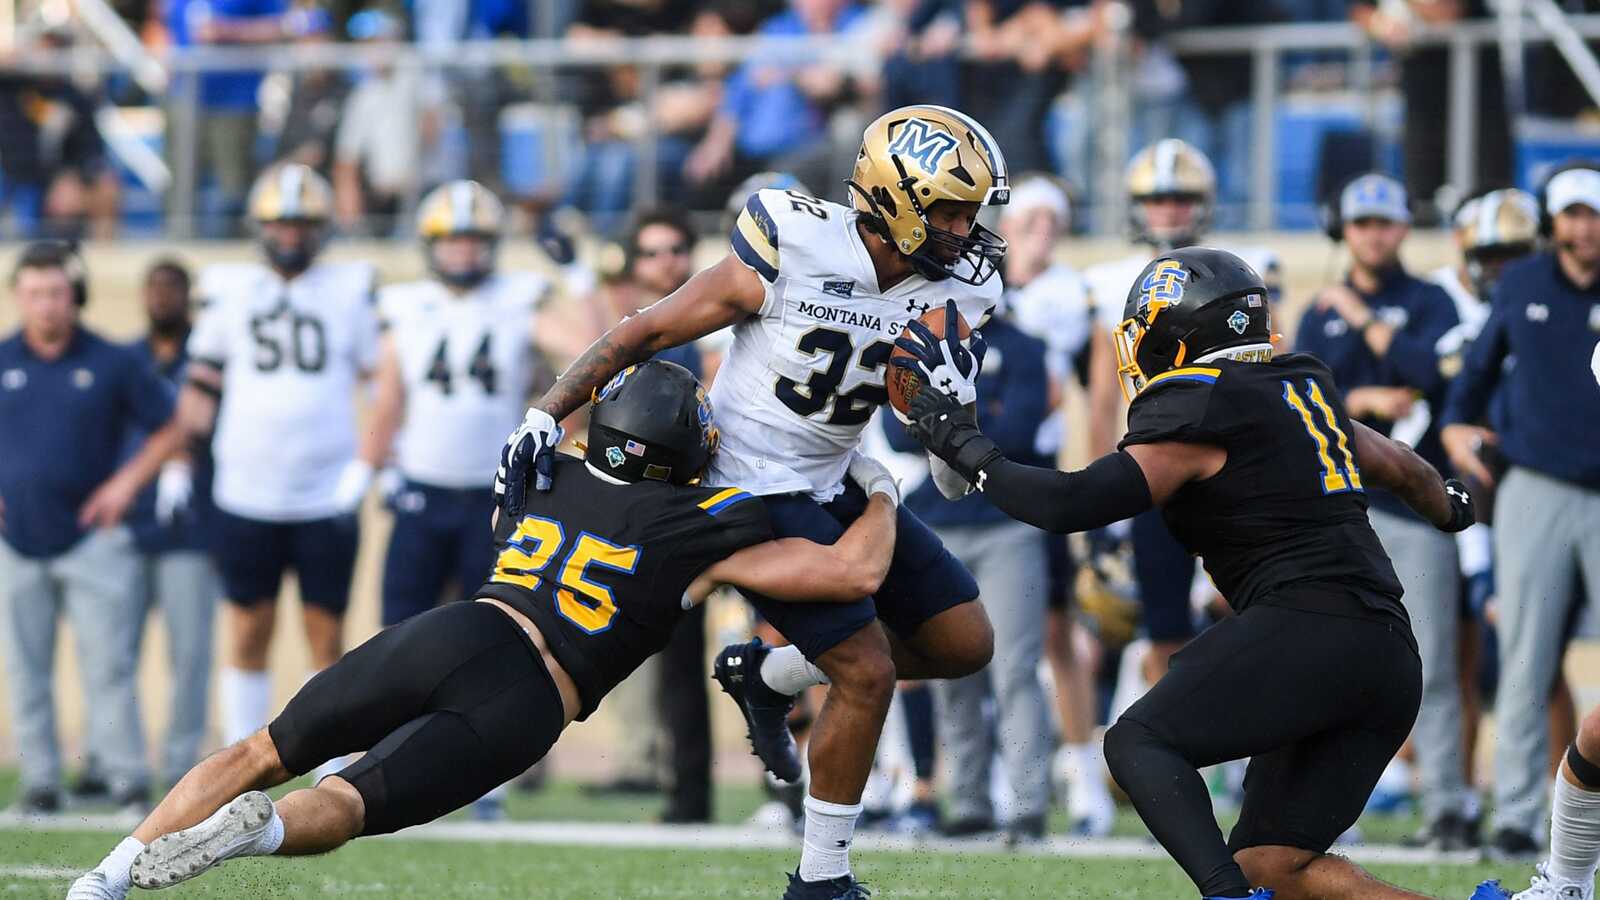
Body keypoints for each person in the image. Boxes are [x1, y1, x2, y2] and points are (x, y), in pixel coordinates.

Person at [64, 359, 903, 900]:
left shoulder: (546, 476)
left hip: (459, 629)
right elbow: (854, 574)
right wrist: (879, 487)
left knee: (260, 751)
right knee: (345, 802)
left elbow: (592, 436)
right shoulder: (708, 523)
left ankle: (101, 882)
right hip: (531, 696)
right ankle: (263, 834)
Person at [497, 104, 1008, 899]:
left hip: (835, 475)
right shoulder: (794, 241)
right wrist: (547, 411)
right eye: (949, 209)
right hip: (744, 485)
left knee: (963, 644)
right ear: (896, 201)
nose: (966, 230)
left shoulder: (960, 292)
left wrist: (953, 414)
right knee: (866, 672)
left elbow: (943, 468)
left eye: (972, 210)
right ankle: (821, 879)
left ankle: (766, 676)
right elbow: (647, 329)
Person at [895, 246, 1476, 900]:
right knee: (1273, 864)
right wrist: (1450, 507)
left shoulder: (1196, 408)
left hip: (1309, 626)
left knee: (1139, 741)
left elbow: (1067, 503)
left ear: (1181, 334)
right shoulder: (1301, 387)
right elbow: (1398, 463)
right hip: (1386, 654)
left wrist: (958, 441)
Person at [174, 164, 381, 778]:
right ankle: (239, 756)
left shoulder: (350, 289)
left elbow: (383, 385)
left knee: (326, 629)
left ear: (320, 229)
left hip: (325, 491)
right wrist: (183, 463)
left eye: (302, 223)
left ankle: (331, 759)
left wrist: (370, 461)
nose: (290, 235)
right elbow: (200, 389)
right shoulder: (229, 289)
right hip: (247, 489)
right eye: (281, 223)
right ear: (260, 226)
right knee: (247, 627)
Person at [1294, 172, 1468, 850]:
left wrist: (1369, 327)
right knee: (1329, 663)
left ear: (1402, 228)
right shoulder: (1319, 311)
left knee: (1433, 661)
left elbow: (1441, 374)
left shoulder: (1430, 300)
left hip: (1412, 504)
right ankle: (1322, 815)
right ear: (1346, 229)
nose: (1374, 235)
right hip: (1339, 511)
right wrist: (1361, 404)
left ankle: (1447, 803)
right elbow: (1297, 403)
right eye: (1362, 224)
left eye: (1385, 223)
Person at [1440, 161, 1600, 861]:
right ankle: (1517, 813)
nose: (1583, 227)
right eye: (1571, 214)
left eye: (1593, 213)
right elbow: (1471, 381)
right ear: (1551, 221)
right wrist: (1454, 427)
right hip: (1536, 487)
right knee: (1527, 658)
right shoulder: (1524, 283)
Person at [0, 242, 184, 814]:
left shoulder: (111, 361)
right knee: (27, 669)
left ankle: (127, 779)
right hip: (16, 542)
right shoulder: (3, 359)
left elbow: (171, 428)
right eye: (34, 294)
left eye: (55, 293)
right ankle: (41, 783)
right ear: (18, 298)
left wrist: (124, 485)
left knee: (108, 666)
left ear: (73, 296)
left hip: (92, 540)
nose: (46, 306)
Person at [368, 180, 553, 627]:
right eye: (453, 240)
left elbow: (592, 345)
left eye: (474, 240)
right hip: (422, 487)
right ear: (431, 245)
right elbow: (388, 399)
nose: (464, 252)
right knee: (400, 631)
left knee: (489, 630)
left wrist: (581, 282)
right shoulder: (406, 305)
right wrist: (372, 467)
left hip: (494, 495)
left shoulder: (519, 298)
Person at [990, 173, 1112, 837]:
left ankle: (1083, 775)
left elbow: (1095, 395)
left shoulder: (1071, 295)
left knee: (1057, 634)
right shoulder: (974, 284)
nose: (1040, 230)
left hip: (1037, 475)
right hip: (971, 479)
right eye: (1028, 218)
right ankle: (988, 774)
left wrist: (1098, 484)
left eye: (1050, 220)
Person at [125, 258, 221, 789]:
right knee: (115, 652)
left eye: (172, 288)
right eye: (153, 287)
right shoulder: (125, 361)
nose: (161, 297)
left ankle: (181, 760)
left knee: (188, 652)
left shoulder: (209, 357)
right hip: (132, 522)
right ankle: (119, 764)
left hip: (192, 527)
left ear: (187, 295)